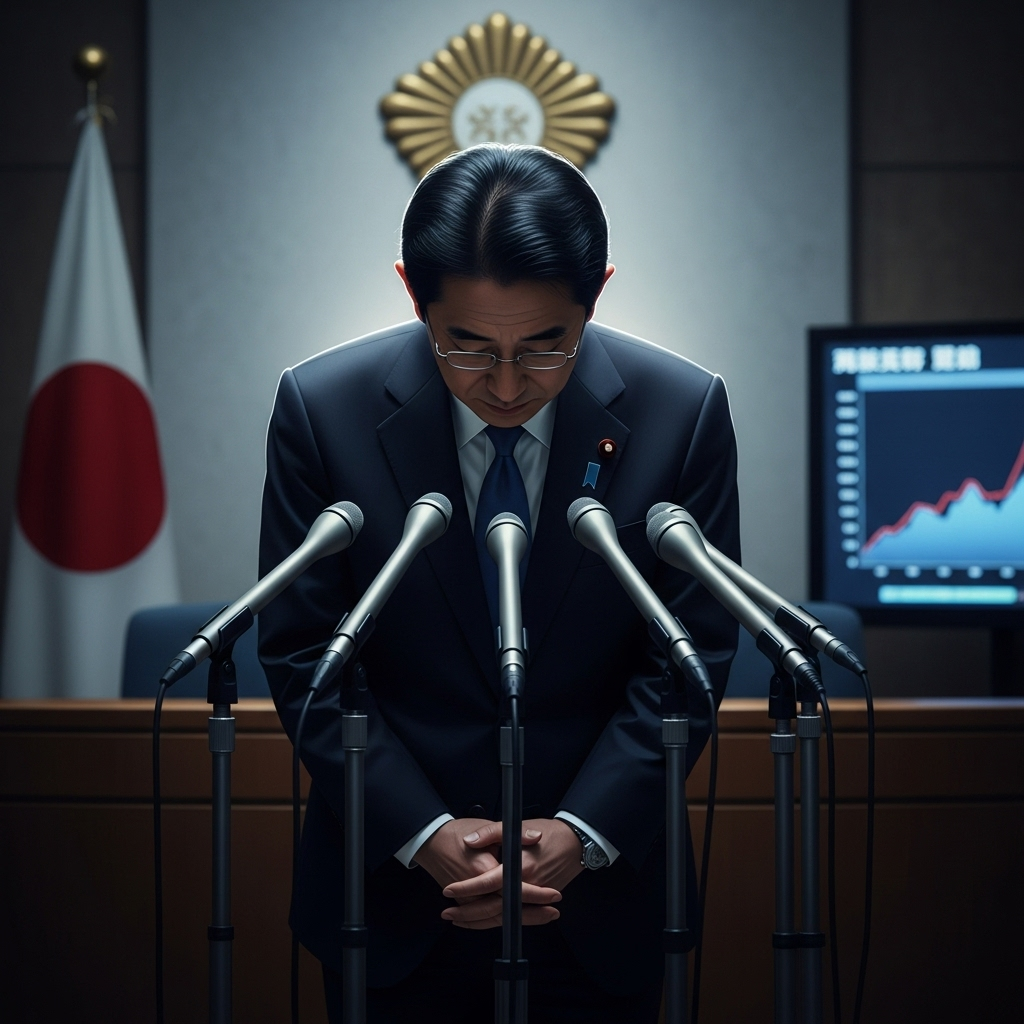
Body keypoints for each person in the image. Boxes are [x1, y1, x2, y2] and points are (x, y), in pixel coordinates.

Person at [258, 144, 740, 1023]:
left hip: (600, 901)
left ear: (598, 290)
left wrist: (582, 835)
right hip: (392, 898)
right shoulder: (320, 410)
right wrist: (423, 833)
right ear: (413, 292)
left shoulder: (683, 411)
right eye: (468, 347)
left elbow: (693, 651)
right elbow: (303, 655)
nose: (508, 386)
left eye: (547, 346)